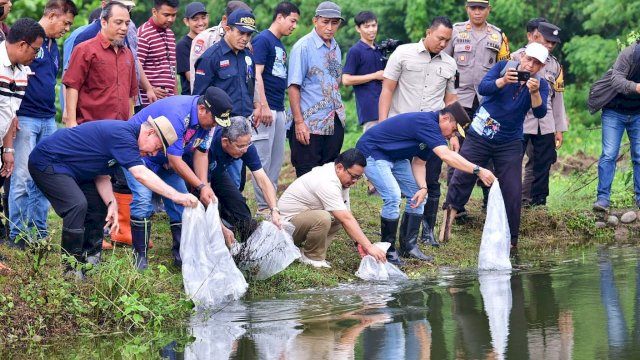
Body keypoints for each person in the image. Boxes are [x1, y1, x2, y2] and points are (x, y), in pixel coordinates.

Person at [28, 117, 199, 278]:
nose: (154, 154)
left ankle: (90, 259)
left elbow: (102, 175)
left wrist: (111, 203)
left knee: (98, 205)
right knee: (77, 205)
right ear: (150, 133)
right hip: (47, 161)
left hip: (74, 170)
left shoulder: (127, 140)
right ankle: (70, 268)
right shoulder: (123, 136)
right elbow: (140, 174)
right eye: (157, 147)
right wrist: (176, 195)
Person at [356, 102, 495, 264]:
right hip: (373, 151)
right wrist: (478, 170)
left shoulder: (435, 133)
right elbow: (446, 156)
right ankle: (388, 249)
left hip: (395, 156)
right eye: (455, 130)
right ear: (445, 118)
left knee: (419, 196)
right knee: (393, 197)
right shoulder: (427, 123)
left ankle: (409, 247)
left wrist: (423, 187)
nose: (453, 136)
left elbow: (419, 163)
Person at [441, 42, 550, 249]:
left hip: (509, 141)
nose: (530, 66)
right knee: (461, 178)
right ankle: (445, 229)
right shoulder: (503, 67)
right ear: (522, 56)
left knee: (512, 188)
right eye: (529, 59)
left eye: (536, 63)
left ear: (541, 67)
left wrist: (534, 93)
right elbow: (483, 88)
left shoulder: (541, 85)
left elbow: (540, 113)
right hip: (480, 134)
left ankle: (512, 241)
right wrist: (502, 81)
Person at [124, 86, 232, 270]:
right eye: (214, 120)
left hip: (163, 159)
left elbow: (201, 153)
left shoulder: (208, 123)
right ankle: (139, 257)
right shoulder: (178, 114)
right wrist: (199, 186)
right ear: (202, 109)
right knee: (143, 199)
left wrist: (205, 185)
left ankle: (181, 255)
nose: (215, 125)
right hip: (139, 155)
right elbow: (175, 161)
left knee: (183, 200)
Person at [378, 16, 458, 248]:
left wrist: (452, 134)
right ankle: (395, 236)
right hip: (401, 129)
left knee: (431, 180)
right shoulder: (403, 53)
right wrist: (383, 125)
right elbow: (387, 90)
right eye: (440, 38)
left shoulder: (450, 64)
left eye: (447, 40)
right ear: (428, 32)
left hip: (432, 132)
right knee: (398, 184)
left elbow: (450, 101)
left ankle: (426, 232)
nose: (443, 44)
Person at [9, 0, 77, 249]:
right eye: (65, 23)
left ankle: (38, 231)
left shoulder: (52, 44)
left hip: (48, 117)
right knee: (23, 178)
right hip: (25, 117)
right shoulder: (26, 39)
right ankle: (17, 234)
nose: (66, 28)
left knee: (45, 176)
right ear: (51, 15)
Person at [443, 0, 511, 215]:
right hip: (459, 100)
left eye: (481, 8)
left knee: (489, 149)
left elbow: (505, 68)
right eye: (473, 8)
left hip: (488, 103)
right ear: (467, 9)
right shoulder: (455, 31)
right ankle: (455, 204)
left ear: (488, 10)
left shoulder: (498, 35)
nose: (477, 12)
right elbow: (443, 62)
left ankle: (488, 200)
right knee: (458, 148)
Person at [277, 149, 387, 268]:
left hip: (298, 224)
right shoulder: (326, 180)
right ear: (340, 167)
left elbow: (346, 215)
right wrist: (369, 246)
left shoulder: (340, 177)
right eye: (353, 176)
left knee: (339, 218)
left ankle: (312, 252)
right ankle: (312, 257)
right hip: (283, 231)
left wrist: (358, 242)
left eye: (358, 178)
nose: (354, 181)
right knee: (323, 217)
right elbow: (346, 218)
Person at [193, 9, 259, 189]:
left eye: (249, 34)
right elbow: (198, 97)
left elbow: (250, 86)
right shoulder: (210, 57)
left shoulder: (247, 56)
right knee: (220, 178)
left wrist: (256, 106)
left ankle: (232, 214)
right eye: (241, 32)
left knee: (238, 180)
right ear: (228, 29)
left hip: (242, 125)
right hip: (218, 129)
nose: (245, 38)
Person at [65, 1, 158, 117]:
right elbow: (72, 86)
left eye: (127, 23)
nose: (124, 28)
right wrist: (71, 120)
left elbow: (131, 94)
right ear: (103, 22)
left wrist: (129, 125)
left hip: (120, 127)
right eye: (118, 23)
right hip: (91, 126)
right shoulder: (84, 49)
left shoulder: (128, 54)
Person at [0, 18, 46, 250]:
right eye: (35, 50)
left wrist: (8, 149)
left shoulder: (21, 72)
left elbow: (10, 114)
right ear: (22, 44)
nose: (36, 57)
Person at [250, 1, 299, 215]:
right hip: (265, 109)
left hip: (279, 109)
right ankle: (263, 207)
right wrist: (263, 106)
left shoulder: (280, 44)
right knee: (262, 160)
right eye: (292, 20)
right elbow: (256, 74)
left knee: (277, 161)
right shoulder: (263, 40)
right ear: (280, 17)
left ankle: (272, 205)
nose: (294, 26)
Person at [287, 1, 346, 178]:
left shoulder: (336, 47)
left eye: (334, 23)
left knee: (329, 173)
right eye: (325, 22)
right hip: (308, 122)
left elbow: (336, 80)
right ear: (315, 21)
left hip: (334, 119)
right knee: (308, 175)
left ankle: (327, 207)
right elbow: (293, 86)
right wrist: (299, 122)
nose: (329, 27)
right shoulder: (303, 47)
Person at [203, 116, 283, 243]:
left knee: (240, 206)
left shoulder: (246, 146)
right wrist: (221, 228)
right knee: (211, 207)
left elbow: (262, 179)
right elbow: (204, 192)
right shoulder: (208, 145)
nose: (245, 150)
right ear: (225, 142)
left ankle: (250, 243)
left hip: (218, 172)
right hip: (197, 175)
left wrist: (274, 210)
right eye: (240, 146)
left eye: (248, 144)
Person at [516, 20, 568, 207]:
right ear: (535, 36)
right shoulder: (516, 57)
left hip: (544, 122)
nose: (549, 45)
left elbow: (558, 99)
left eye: (553, 43)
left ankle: (538, 203)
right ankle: (511, 200)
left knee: (542, 164)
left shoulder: (554, 65)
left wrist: (559, 128)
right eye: (546, 41)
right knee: (512, 162)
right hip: (519, 121)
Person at [593, 42, 640, 211]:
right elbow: (616, 80)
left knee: (639, 155)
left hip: (638, 113)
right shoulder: (629, 53)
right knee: (609, 154)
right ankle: (603, 199)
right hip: (615, 111)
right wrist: (637, 87)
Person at [188, 0, 251, 93]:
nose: (245, 37)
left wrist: (256, 102)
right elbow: (196, 81)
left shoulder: (244, 41)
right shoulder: (204, 39)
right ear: (225, 20)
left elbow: (250, 76)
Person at [342, 10, 384, 132]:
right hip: (370, 110)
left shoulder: (380, 49)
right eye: (367, 27)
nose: (371, 30)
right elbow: (346, 79)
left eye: (374, 25)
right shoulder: (355, 51)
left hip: (386, 106)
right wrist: (375, 76)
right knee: (373, 145)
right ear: (358, 29)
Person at [137, 0, 179, 107]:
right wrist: (149, 89)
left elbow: (172, 67)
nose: (170, 19)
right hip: (150, 102)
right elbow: (136, 66)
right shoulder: (144, 34)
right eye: (166, 15)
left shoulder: (170, 34)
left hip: (169, 102)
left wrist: (176, 97)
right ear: (154, 12)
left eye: (173, 15)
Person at [176, 2, 208, 95]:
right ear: (186, 21)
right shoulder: (183, 45)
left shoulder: (212, 42)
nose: (201, 23)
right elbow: (191, 77)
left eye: (203, 18)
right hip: (192, 98)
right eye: (195, 19)